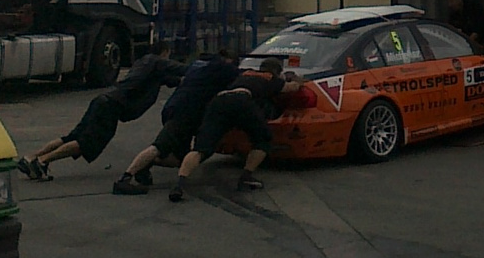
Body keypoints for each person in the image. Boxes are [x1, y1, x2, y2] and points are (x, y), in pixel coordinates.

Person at [18, 40, 183, 180]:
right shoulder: (155, 61)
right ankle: (43, 161)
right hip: (112, 107)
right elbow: (181, 69)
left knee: (72, 136)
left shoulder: (147, 68)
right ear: (164, 53)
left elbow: (173, 80)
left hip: (104, 100)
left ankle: (31, 157)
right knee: (86, 143)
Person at [169, 57, 303, 201]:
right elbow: (292, 87)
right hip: (242, 100)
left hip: (218, 101)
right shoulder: (270, 78)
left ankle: (180, 184)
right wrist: (297, 80)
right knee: (263, 139)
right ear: (277, 72)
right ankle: (246, 176)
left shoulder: (245, 73)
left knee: (200, 148)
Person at [112, 48, 239, 195]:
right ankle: (125, 178)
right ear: (229, 60)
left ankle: (147, 164)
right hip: (185, 113)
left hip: (174, 108)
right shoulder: (224, 69)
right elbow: (244, 76)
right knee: (158, 146)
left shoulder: (198, 65)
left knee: (180, 158)